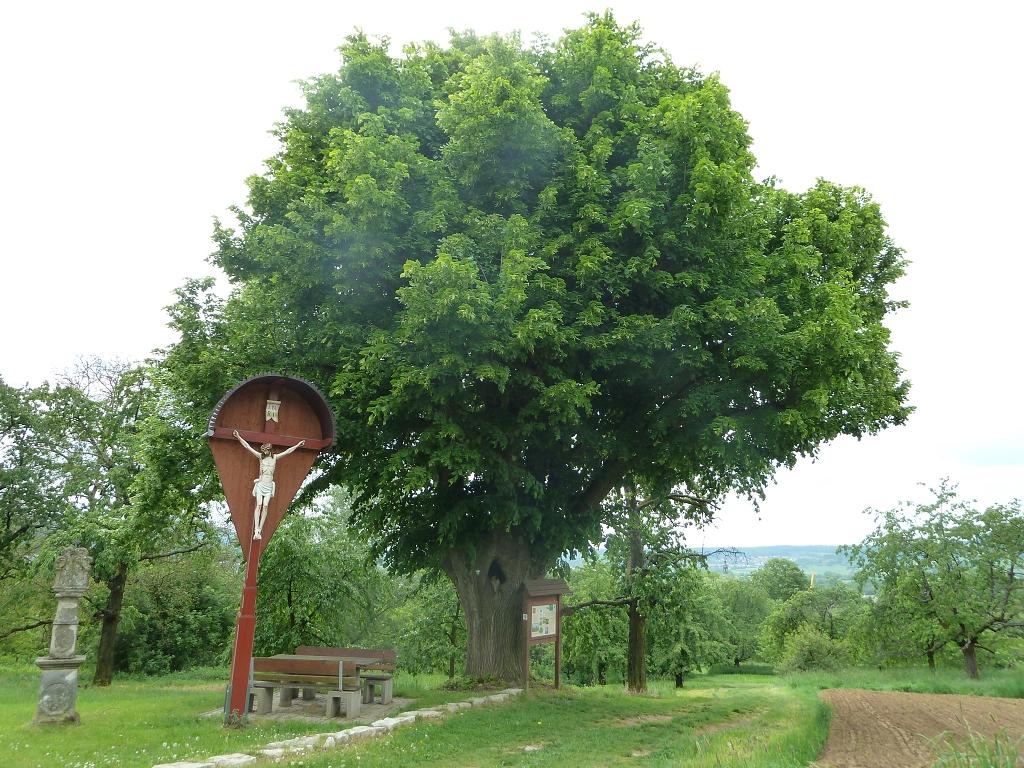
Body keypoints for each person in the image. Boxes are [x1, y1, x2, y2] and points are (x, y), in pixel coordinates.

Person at [232, 430, 306, 539]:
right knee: (259, 504)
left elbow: (288, 451)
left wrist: (298, 445)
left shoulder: (274, 458)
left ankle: (259, 530)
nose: (263, 452)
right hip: (261, 484)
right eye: (263, 450)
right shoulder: (260, 457)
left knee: (265, 506)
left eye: (265, 450)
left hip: (269, 485)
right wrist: (238, 437)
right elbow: (247, 446)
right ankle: (256, 529)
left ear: (269, 450)